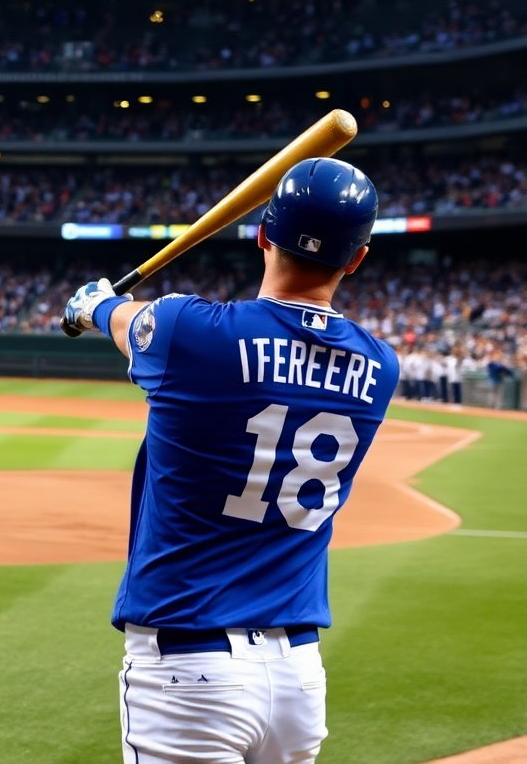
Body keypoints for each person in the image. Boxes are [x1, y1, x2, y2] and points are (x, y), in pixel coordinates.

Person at [61, 157, 399, 764]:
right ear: (356, 258)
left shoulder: (189, 331)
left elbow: (123, 318)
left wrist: (90, 306)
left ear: (263, 236)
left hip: (188, 671)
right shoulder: (380, 367)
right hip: (299, 676)